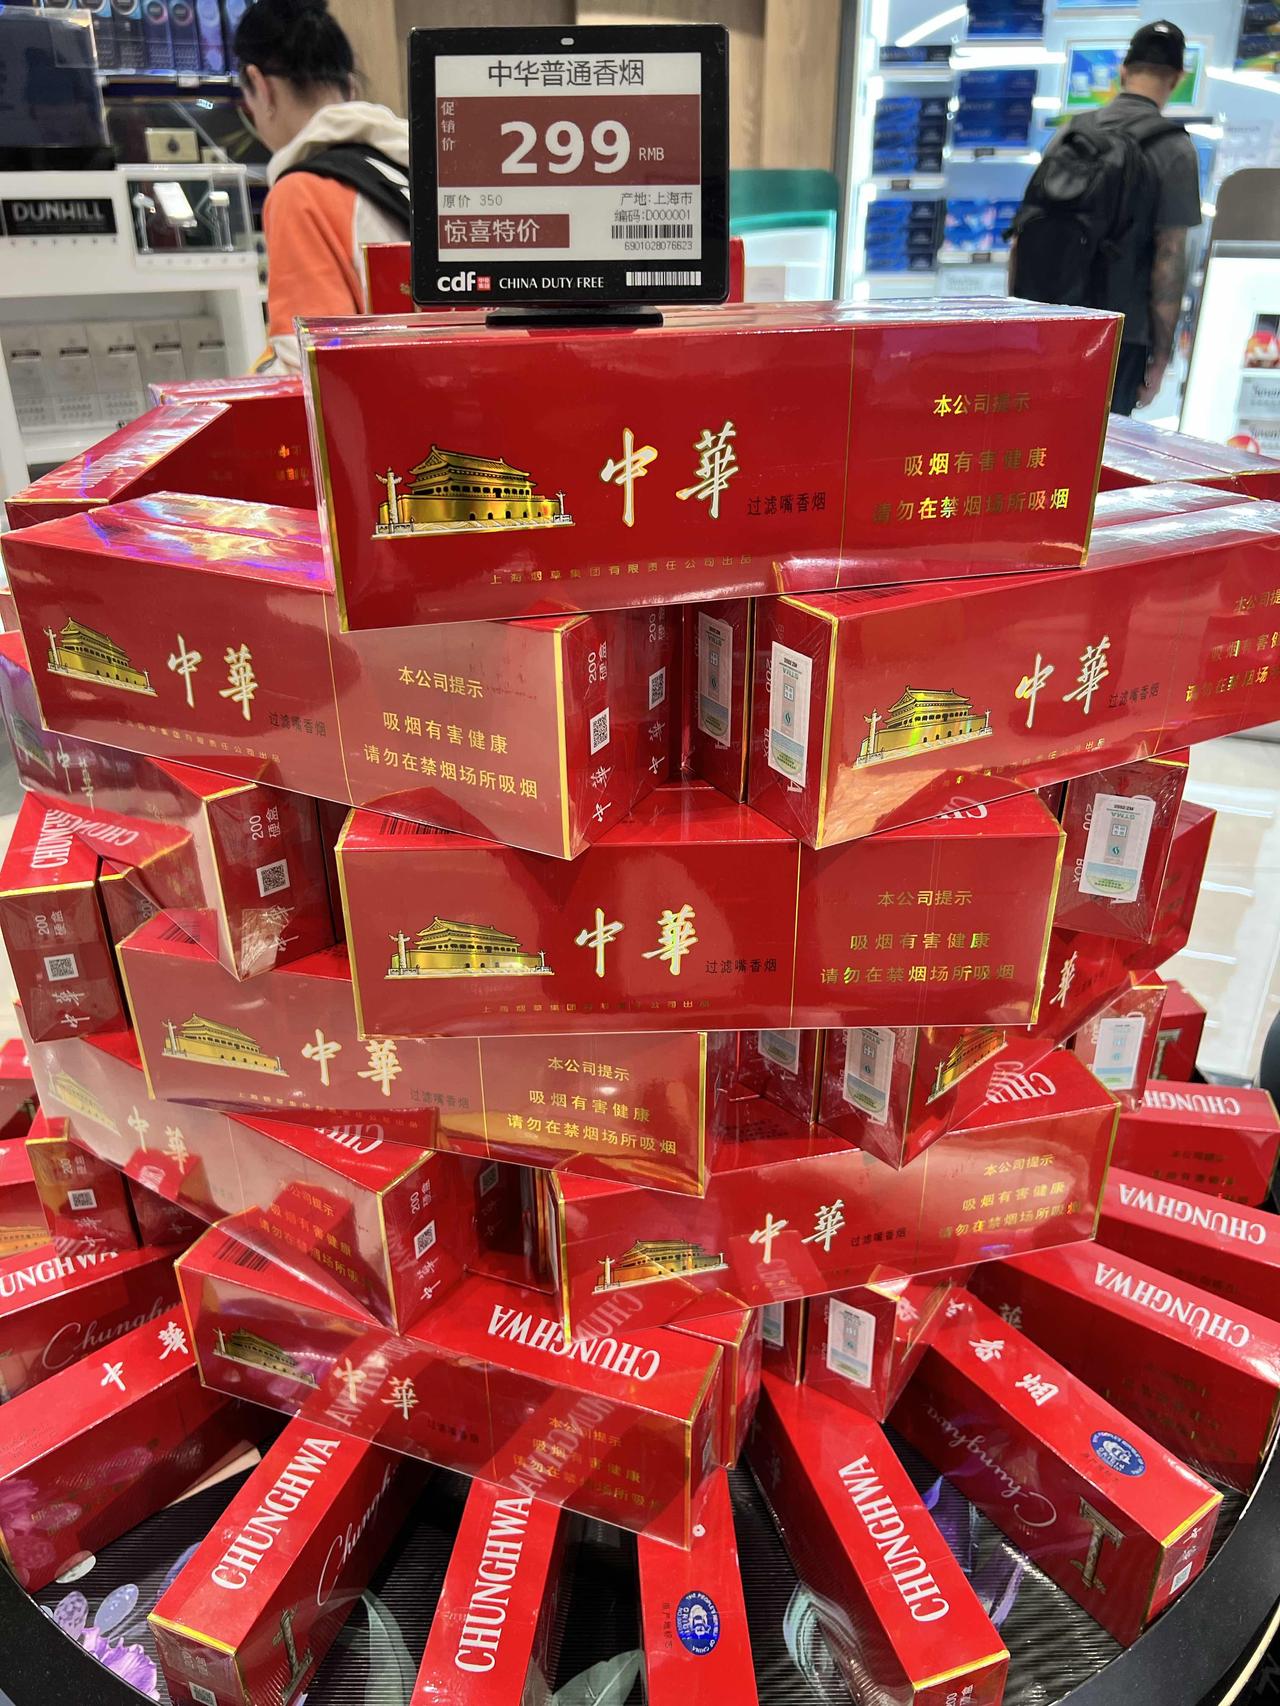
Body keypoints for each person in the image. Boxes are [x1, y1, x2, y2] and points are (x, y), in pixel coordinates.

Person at [1008, 20, 1201, 415]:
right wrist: (1161, 355)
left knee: (1039, 435)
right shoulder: (1175, 148)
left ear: (1123, 71)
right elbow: (1168, 260)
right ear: (1177, 78)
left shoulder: (1074, 131)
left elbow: (1025, 231)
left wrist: (1022, 319)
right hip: (1119, 337)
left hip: (1051, 326)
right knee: (1100, 443)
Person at [234, 0, 410, 372]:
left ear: (261, 87)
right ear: (349, 85)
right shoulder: (414, 165)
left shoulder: (301, 194)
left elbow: (309, 368)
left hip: (398, 402)